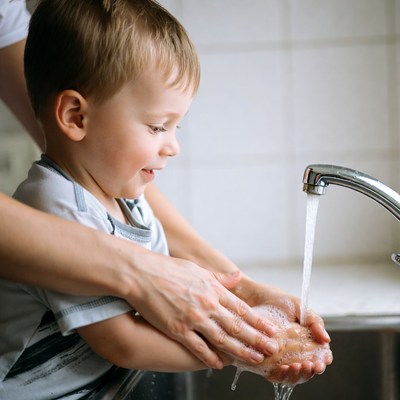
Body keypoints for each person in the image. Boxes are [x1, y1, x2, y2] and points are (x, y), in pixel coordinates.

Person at [0, 1, 331, 396]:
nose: (172, 146)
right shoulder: (56, 204)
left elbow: (179, 285)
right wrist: (245, 352)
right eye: (158, 126)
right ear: (75, 116)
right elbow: (123, 342)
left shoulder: (125, 198)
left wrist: (250, 300)